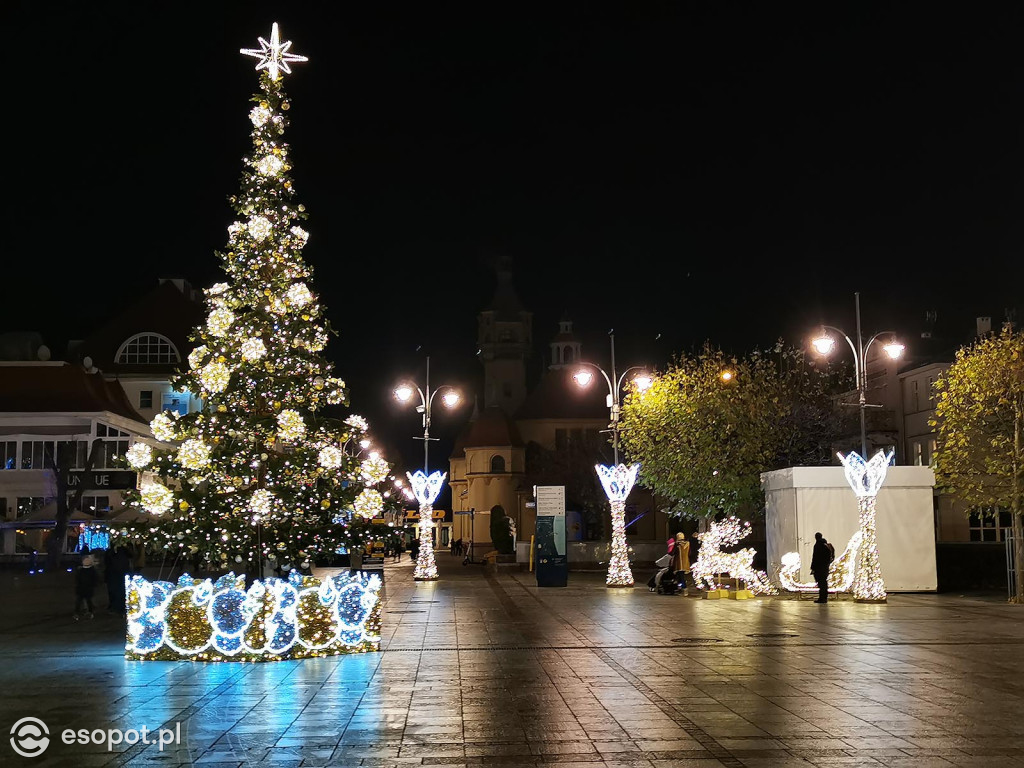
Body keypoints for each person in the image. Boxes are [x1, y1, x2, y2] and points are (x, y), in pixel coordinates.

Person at [810, 532, 834, 603]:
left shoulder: (818, 545)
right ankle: (824, 597)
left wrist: (813, 567)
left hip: (819, 568)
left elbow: (815, 557)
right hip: (825, 567)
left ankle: (822, 598)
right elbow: (829, 557)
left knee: (821, 583)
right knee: (823, 583)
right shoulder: (826, 545)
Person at [73, 555, 98, 620]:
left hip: (84, 588)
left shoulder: (81, 570)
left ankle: (79, 613)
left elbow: (77, 579)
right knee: (85, 601)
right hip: (85, 588)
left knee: (83, 601)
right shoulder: (91, 570)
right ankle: (87, 612)